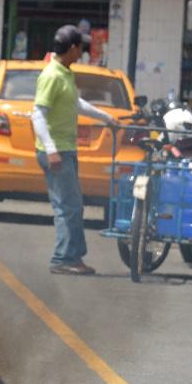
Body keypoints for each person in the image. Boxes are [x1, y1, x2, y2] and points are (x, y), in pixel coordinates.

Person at [31, 25, 118, 276]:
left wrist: (105, 117)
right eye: (80, 47)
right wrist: (51, 150)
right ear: (71, 49)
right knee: (67, 206)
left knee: (73, 204)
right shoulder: (51, 76)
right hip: (56, 150)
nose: (81, 52)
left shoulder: (65, 73)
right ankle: (63, 258)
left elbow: (75, 103)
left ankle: (73, 257)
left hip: (66, 149)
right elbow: (38, 115)